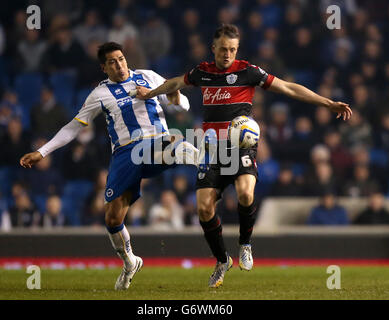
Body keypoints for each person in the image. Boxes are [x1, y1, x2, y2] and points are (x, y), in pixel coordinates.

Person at [137, 23, 352, 288]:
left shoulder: (248, 71)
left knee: (246, 193)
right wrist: (151, 93)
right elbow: (174, 82)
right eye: (223, 49)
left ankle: (245, 244)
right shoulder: (202, 72)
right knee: (204, 208)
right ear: (213, 48)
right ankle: (221, 260)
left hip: (241, 147)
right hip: (212, 150)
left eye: (233, 49)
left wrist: (327, 103)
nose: (228, 54)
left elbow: (287, 88)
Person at [20, 42, 203, 290]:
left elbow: (183, 106)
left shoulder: (148, 77)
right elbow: (74, 127)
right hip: (124, 154)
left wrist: (175, 96)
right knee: (113, 217)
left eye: (121, 59)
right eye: (112, 62)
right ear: (104, 68)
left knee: (173, 140)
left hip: (154, 142)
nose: (119, 65)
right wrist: (42, 151)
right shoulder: (100, 94)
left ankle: (205, 163)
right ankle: (130, 262)